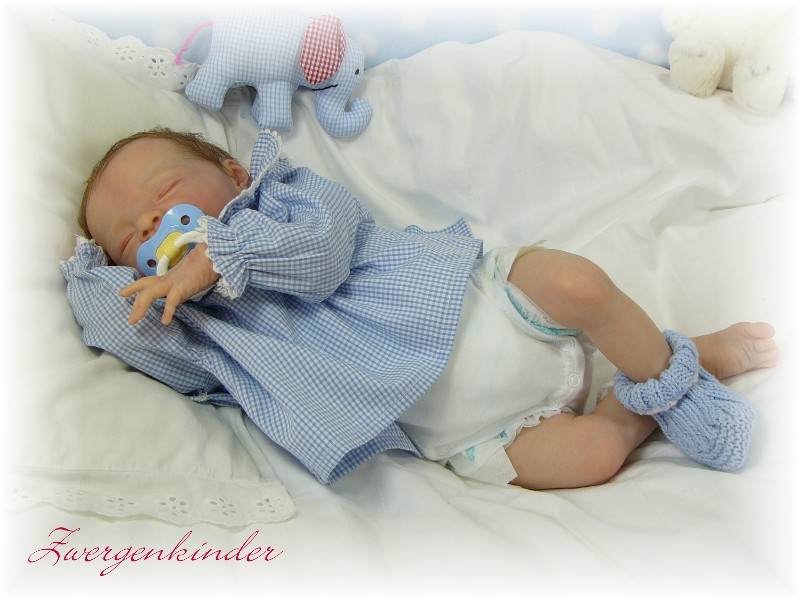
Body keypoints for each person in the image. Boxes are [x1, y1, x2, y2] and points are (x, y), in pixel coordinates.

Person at [62, 127, 779, 490]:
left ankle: (674, 372)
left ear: (233, 172)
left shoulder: (287, 200)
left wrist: (222, 255)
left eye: (165, 192)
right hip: (472, 428)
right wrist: (93, 271)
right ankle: (636, 399)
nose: (154, 224)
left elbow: (324, 256)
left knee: (578, 285)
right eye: (131, 237)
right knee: (591, 456)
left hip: (487, 305)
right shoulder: (210, 329)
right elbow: (119, 329)